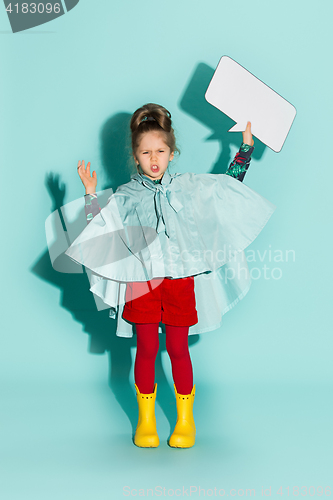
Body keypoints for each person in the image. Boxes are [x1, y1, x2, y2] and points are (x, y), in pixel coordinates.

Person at [65, 103, 276, 449]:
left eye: (160, 151)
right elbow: (101, 231)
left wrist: (245, 149)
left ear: (172, 153)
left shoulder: (188, 186)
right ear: (135, 156)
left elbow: (225, 190)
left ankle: (184, 420)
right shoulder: (125, 195)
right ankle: (146, 420)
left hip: (179, 283)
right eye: (146, 152)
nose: (153, 158)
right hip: (141, 284)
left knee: (178, 348)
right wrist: (90, 195)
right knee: (145, 349)